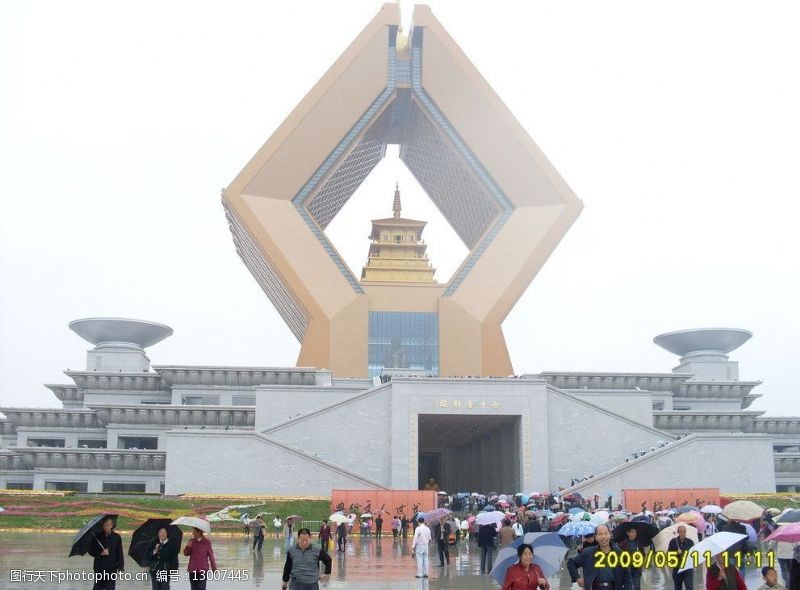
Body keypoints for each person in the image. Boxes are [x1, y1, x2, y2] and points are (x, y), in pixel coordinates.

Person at [567, 524, 633, 590]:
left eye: (606, 533)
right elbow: (571, 562)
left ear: (610, 535)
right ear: (596, 537)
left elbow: (627, 578)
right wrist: (577, 578)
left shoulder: (620, 553)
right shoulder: (588, 552)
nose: (603, 537)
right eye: (600, 534)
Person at [88, 517, 124, 590]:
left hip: (111, 569)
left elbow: (120, 553)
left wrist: (121, 568)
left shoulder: (117, 537)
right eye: (104, 526)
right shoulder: (97, 536)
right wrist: (100, 553)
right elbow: (91, 551)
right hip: (99, 569)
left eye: (107, 525)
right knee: (97, 588)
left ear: (111, 525)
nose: (105, 528)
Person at [668, 525, 694, 590]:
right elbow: (669, 555)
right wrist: (676, 553)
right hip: (677, 568)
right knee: (677, 587)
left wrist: (682, 552)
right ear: (678, 532)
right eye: (681, 532)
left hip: (687, 568)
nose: (683, 533)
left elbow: (692, 555)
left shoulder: (690, 542)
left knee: (689, 587)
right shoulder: (673, 542)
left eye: (684, 532)